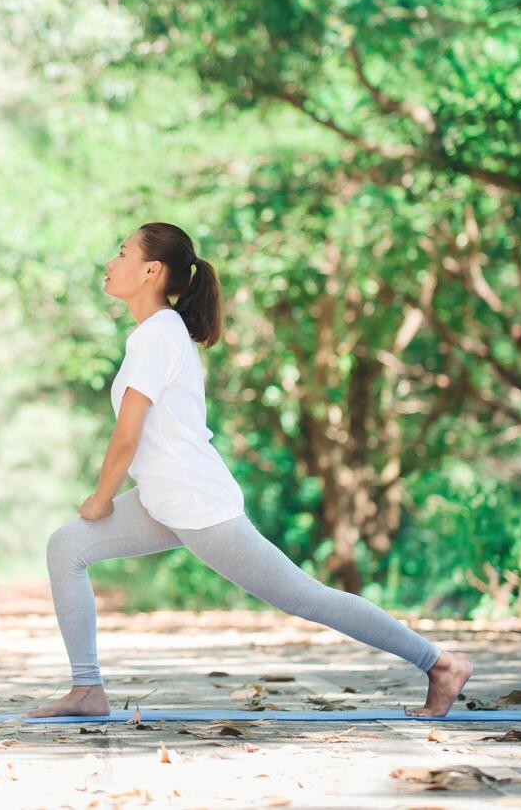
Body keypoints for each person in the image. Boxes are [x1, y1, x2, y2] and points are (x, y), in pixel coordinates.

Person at [26, 222, 473, 719]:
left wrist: (100, 498)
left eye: (122, 251)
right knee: (66, 546)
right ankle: (87, 690)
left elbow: (127, 436)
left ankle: (439, 665)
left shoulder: (156, 336)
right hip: (166, 500)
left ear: (151, 270)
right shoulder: (156, 333)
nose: (111, 262)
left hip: (195, 504)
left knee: (307, 598)